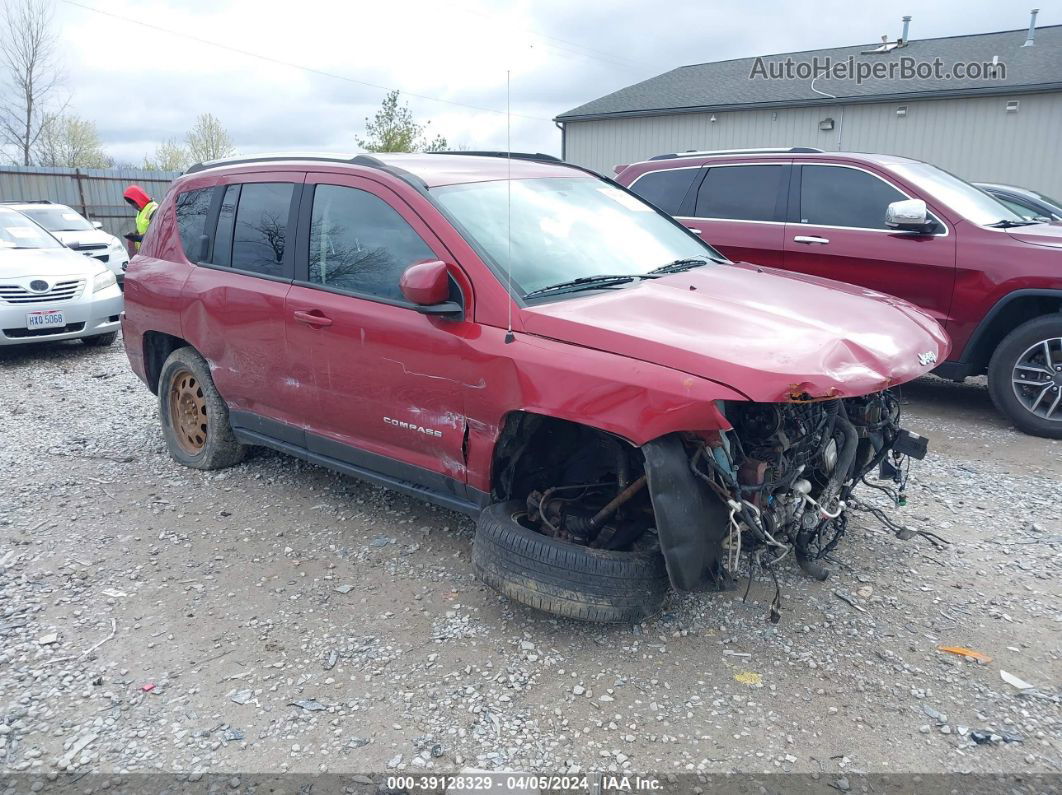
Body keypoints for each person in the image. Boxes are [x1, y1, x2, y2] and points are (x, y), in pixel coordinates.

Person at [122, 185, 158, 251]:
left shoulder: (154, 210)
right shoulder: (141, 210)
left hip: (153, 250)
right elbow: (141, 228)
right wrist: (133, 235)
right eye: (131, 204)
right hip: (144, 250)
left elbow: (157, 235)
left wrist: (137, 238)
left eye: (133, 203)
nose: (133, 207)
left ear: (139, 199)